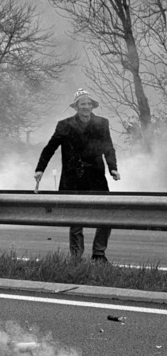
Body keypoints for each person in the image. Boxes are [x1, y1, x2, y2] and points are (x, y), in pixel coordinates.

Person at [34, 89, 120, 262]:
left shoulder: (102, 123)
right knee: (75, 218)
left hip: (96, 176)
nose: (86, 107)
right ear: (76, 107)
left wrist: (113, 168)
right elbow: (50, 147)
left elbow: (108, 147)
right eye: (83, 104)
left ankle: (99, 254)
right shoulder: (64, 125)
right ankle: (76, 257)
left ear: (92, 106)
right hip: (73, 177)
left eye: (89, 104)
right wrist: (40, 169)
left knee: (106, 215)